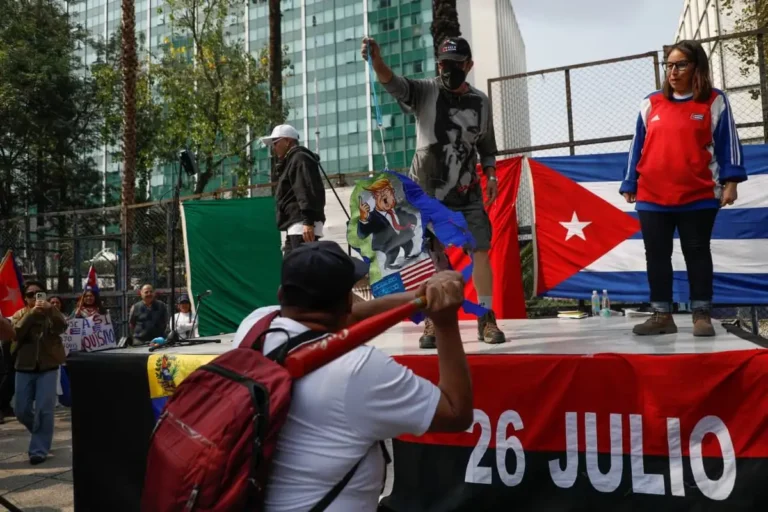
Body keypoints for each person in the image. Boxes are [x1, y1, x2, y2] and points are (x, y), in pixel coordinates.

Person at [232, 241, 472, 512]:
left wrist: (419, 298)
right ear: (347, 300)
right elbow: (456, 412)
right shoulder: (360, 369)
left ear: (280, 294)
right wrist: (444, 320)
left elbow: (347, 316)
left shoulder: (254, 328)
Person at [362, 36, 506, 348]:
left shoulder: (480, 102)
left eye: (455, 65)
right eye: (443, 64)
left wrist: (491, 171)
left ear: (468, 66)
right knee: (432, 257)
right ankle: (433, 320)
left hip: (467, 192)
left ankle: (486, 317)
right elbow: (393, 82)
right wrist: (377, 61)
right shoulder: (426, 91)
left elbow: (486, 143)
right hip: (427, 194)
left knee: (480, 250)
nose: (448, 70)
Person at [620, 40, 746, 337]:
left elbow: (729, 144)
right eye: (669, 65)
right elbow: (636, 146)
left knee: (697, 252)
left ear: (696, 68)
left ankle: (701, 314)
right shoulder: (651, 103)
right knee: (657, 255)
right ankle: (662, 315)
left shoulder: (714, 100)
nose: (672, 72)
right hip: (652, 195)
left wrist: (731, 182)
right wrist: (630, 182)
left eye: (680, 65)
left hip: (698, 194)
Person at [10, 281, 67, 464]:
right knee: (21, 410)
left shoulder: (51, 311)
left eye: (38, 293)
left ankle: (38, 449)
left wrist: (50, 310)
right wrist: (31, 316)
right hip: (24, 367)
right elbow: (14, 334)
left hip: (48, 367)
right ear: (25, 298)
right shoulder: (19, 314)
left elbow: (61, 327)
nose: (34, 297)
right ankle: (42, 432)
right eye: (30, 294)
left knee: (44, 409)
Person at [261, 124, 327, 257]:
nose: (274, 148)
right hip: (296, 225)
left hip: (301, 225)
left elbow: (305, 190)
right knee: (292, 271)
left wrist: (307, 222)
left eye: (275, 142)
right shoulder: (294, 160)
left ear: (287, 141)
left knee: (302, 271)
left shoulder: (299, 158)